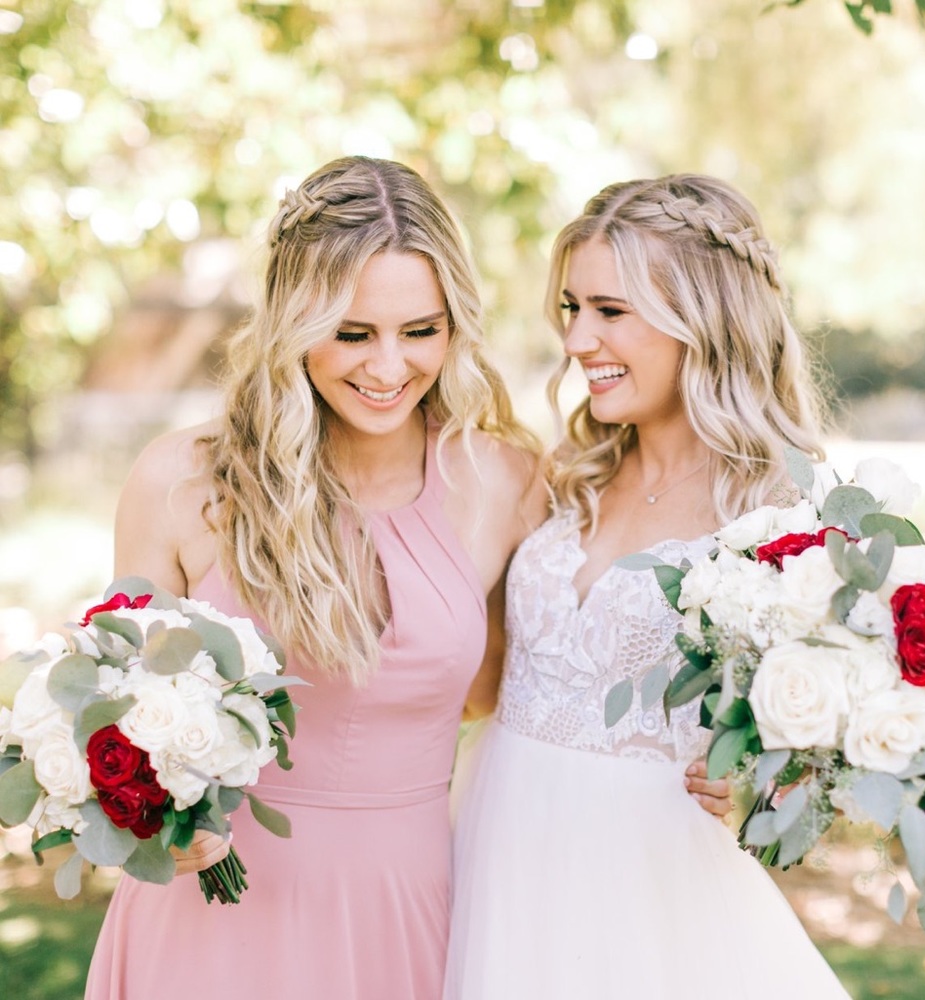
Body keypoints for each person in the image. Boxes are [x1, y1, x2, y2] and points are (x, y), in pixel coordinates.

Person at [85, 155, 548, 1000]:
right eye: (352, 332)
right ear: (294, 322)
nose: (388, 367)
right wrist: (156, 820)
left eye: (421, 330)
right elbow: (111, 714)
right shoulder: (183, 482)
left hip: (407, 914)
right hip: (208, 915)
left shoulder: (507, 484)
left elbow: (520, 698)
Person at [444, 175, 851, 998]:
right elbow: (478, 674)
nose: (577, 339)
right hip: (501, 843)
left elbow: (820, 756)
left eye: (610, 310)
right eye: (571, 308)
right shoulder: (567, 478)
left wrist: (768, 784)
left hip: (653, 879)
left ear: (702, 318)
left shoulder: (784, 515)